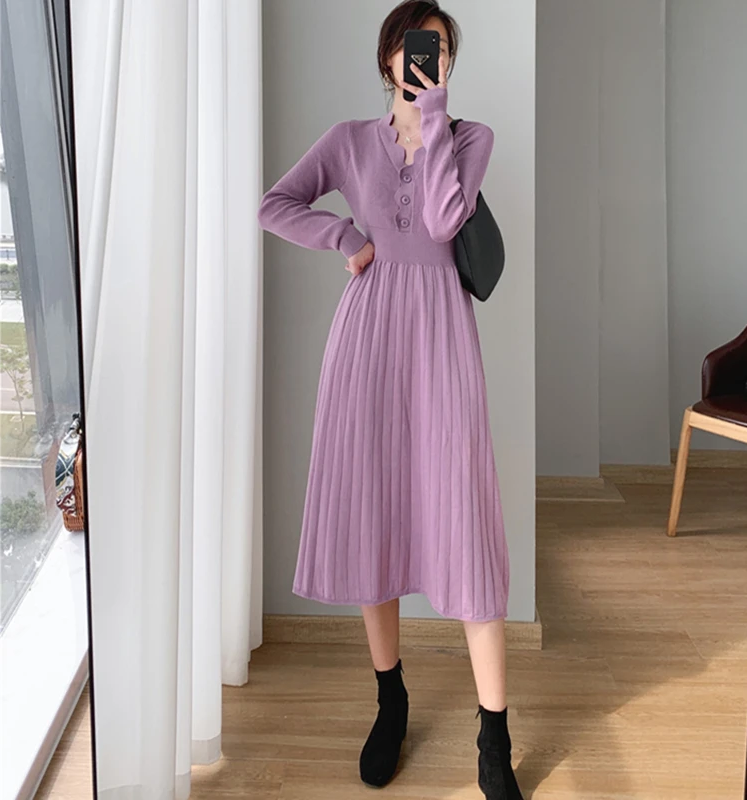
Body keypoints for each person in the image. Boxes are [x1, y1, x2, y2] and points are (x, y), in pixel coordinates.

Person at [257, 2, 522, 797]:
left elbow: (441, 220)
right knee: (374, 513)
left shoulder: (470, 139)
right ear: (387, 59)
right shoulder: (347, 141)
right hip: (368, 339)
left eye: (440, 51)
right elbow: (275, 203)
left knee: (464, 523)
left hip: (442, 338)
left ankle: (494, 739)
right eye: (416, 48)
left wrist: (431, 117)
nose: (426, 60)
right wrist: (344, 237)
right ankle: (391, 701)